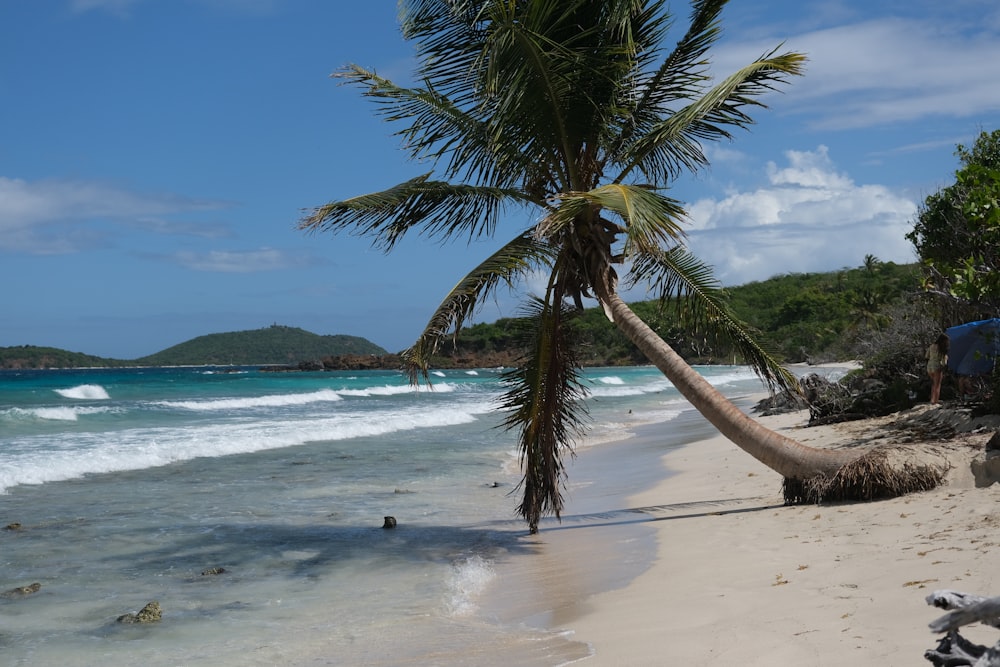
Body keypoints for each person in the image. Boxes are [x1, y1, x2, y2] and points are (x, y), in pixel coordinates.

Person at [926, 333, 949, 404]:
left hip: (929, 366)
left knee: (933, 383)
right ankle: (936, 400)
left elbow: (926, 356)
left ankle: (932, 399)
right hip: (937, 366)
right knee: (937, 384)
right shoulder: (942, 348)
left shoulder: (932, 346)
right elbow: (944, 362)